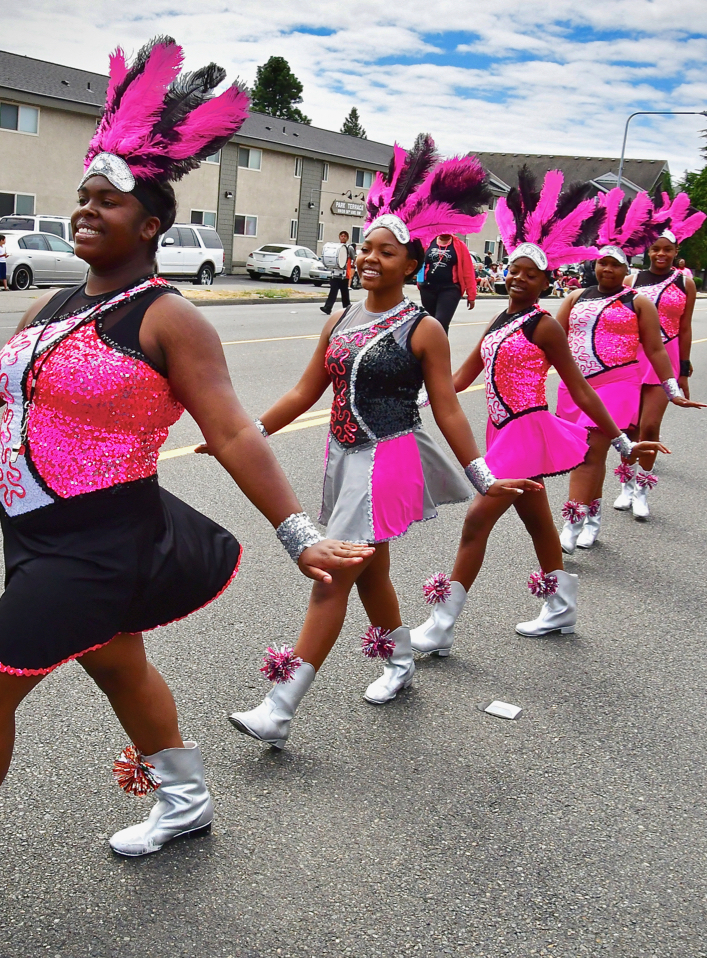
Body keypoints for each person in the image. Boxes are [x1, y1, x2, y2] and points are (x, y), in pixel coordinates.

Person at [0, 40, 366, 939]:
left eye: (107, 199)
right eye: (82, 196)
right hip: (33, 532)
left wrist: (298, 533)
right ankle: (187, 798)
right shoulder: (52, 305)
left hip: (102, 535)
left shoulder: (171, 316)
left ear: (152, 223)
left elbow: (234, 430)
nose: (86, 210)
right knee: (116, 661)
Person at [224, 135, 535, 748]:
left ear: (411, 263)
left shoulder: (423, 328)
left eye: (385, 252)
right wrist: (245, 434)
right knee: (369, 569)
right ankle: (398, 662)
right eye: (365, 248)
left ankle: (280, 707)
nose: (369, 258)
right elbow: (304, 392)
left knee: (332, 575)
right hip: (341, 459)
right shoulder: (340, 321)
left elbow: (445, 409)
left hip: (387, 457)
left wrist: (480, 476)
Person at [409, 168, 668, 656]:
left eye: (531, 273)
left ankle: (442, 625)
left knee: (476, 520)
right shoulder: (502, 316)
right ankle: (561, 606)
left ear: (548, 280)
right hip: (499, 430)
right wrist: (421, 397)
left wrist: (620, 441)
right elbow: (463, 375)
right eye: (514, 268)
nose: (519, 277)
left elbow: (582, 391)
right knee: (538, 520)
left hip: (527, 432)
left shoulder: (545, 326)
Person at [621, 191, 707, 523]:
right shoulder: (632, 280)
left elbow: (685, 328)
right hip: (631, 358)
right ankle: (627, 483)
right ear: (649, 250)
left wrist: (683, 370)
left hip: (665, 358)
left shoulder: (685, 283)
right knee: (627, 427)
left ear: (676, 252)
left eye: (667, 249)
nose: (660, 254)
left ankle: (643, 488)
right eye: (655, 248)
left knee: (650, 425)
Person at [417, 231, 477, 330]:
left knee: (441, 323)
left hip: (450, 289)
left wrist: (471, 295)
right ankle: (432, 345)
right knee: (430, 323)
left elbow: (468, 270)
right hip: (428, 289)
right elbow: (419, 261)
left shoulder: (459, 245)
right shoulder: (428, 241)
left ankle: (440, 345)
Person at [320, 229, 354, 314]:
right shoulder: (336, 247)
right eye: (341, 236)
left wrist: (351, 269)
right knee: (333, 291)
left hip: (344, 274)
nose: (343, 237)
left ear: (347, 238)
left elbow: (353, 258)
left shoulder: (349, 248)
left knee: (344, 293)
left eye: (344, 236)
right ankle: (327, 307)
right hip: (335, 274)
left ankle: (347, 308)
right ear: (339, 237)